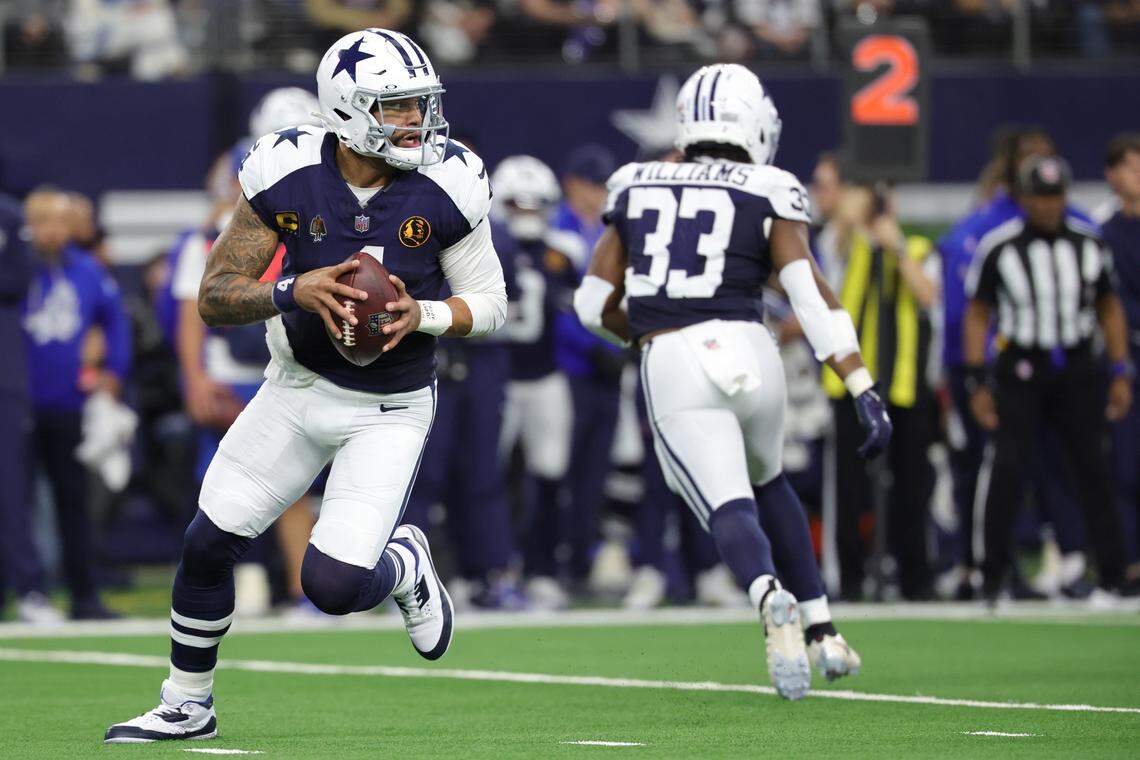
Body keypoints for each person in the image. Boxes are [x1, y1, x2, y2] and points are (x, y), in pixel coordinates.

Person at [105, 28, 506, 743]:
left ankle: (403, 564)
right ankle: (186, 702)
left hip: (389, 405)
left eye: (421, 105)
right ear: (349, 110)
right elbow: (216, 294)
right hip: (295, 387)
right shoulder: (286, 170)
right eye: (397, 107)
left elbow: (492, 304)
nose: (416, 121)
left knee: (333, 588)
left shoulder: (449, 180)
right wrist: (292, 288)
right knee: (207, 540)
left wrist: (425, 313)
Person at [574, 64, 890, 699]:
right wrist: (861, 385)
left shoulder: (637, 181)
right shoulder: (770, 185)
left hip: (674, 354)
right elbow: (809, 293)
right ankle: (825, 628)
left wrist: (638, 331)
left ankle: (767, 593)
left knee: (726, 502)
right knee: (770, 481)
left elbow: (590, 303)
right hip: (752, 348)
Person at [963, 154, 1134, 603]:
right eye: (1040, 197)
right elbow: (977, 314)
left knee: (1093, 467)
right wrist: (977, 381)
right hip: (1021, 366)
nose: (1048, 206)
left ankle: (1114, 574)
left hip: (1077, 365)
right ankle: (994, 576)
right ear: (1023, 199)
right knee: (1009, 467)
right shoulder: (1000, 247)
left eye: (1056, 196)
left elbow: (1109, 308)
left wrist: (1120, 371)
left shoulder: (1088, 244)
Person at [821, 184, 940, 600]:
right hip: (850, 386)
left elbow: (928, 295)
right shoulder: (842, 245)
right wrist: (849, 221)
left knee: (911, 486)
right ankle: (849, 584)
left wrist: (898, 249)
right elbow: (827, 258)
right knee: (849, 491)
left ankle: (916, 582)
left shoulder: (919, 246)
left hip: (904, 385)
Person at [21, 188, 130, 620]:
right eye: (43, 219)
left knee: (73, 500)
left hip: (68, 401)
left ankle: (83, 594)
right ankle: (28, 590)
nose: (52, 229)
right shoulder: (17, 268)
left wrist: (113, 374)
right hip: (18, 403)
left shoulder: (87, 270)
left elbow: (115, 323)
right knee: (16, 502)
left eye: (60, 220)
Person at [492, 155, 580, 609]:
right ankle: (496, 568)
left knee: (549, 476)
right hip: (501, 377)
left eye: (534, 206)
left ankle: (542, 568)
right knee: (489, 478)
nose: (526, 215)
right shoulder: (480, 246)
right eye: (517, 205)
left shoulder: (564, 253)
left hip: (543, 378)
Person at [1099, 133, 1140, 573]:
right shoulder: (1103, 232)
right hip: (1127, 357)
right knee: (1126, 465)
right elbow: (1110, 304)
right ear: (1112, 175)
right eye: (1132, 166)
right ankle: (1128, 562)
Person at [0, 188, 41, 621]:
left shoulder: (8, 215)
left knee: (11, 486)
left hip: (4, 375)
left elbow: (17, 280)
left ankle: (29, 588)